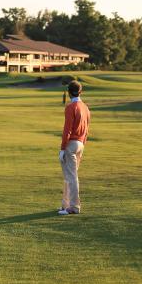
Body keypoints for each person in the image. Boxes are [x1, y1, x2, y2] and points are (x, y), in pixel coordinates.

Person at [58, 80, 90, 215]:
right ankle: (65, 204)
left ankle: (74, 207)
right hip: (81, 144)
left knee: (71, 176)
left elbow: (67, 130)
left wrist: (62, 148)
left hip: (71, 144)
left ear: (69, 92)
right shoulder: (86, 107)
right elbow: (87, 130)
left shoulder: (71, 107)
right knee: (69, 176)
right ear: (80, 91)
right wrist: (83, 144)